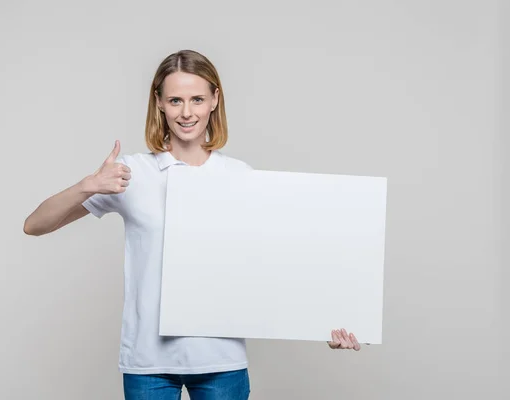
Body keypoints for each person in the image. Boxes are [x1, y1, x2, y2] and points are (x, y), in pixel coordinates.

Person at [24, 49, 362, 400]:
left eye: (197, 99)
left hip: (220, 359)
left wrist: (325, 322)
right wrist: (87, 185)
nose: (187, 112)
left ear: (215, 99)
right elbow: (35, 225)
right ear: (158, 102)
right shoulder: (131, 173)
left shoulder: (240, 177)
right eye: (175, 100)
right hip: (148, 363)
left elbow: (277, 263)